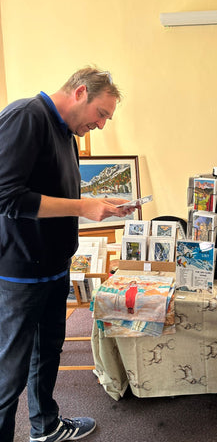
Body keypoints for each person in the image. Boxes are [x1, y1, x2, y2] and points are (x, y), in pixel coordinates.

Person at [0, 67, 136, 442]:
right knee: (8, 374)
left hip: (53, 268)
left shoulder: (65, 133)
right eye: (102, 114)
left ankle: (44, 428)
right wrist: (80, 207)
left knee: (46, 356)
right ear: (79, 93)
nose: (103, 124)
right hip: (20, 272)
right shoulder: (26, 117)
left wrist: (100, 205)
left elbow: (58, 193)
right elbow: (6, 197)